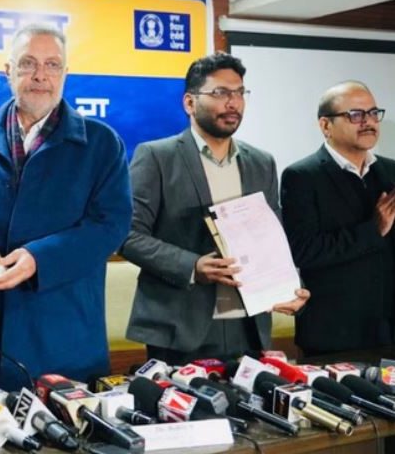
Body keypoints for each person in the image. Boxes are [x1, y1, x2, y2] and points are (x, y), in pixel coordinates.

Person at [0, 23, 132, 391]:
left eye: (52, 65)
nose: (40, 75)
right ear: (8, 71)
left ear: (65, 73)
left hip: (63, 330)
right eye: (28, 63)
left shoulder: (101, 143)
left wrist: (39, 258)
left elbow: (111, 225)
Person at [121, 52, 309, 365]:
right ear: (189, 103)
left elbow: (271, 237)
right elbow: (128, 235)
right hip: (181, 324)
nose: (233, 103)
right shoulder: (156, 156)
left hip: (248, 323)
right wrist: (193, 266)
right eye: (220, 93)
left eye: (239, 93)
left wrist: (288, 286)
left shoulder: (261, 162)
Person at [281, 81, 395, 356]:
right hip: (334, 333)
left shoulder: (390, 171)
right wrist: (373, 230)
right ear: (326, 125)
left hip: (389, 328)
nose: (368, 122)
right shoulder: (302, 176)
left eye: (373, 113)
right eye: (355, 115)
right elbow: (303, 251)